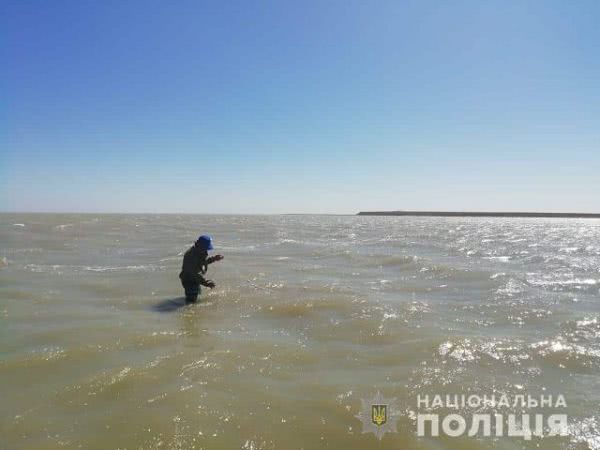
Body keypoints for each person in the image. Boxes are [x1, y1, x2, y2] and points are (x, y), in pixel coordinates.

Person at [179, 235, 224, 303]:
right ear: (200, 246)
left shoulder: (199, 251)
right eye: (205, 248)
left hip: (195, 279)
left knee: (196, 295)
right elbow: (194, 273)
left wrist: (214, 258)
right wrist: (206, 283)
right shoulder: (191, 255)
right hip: (189, 280)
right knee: (191, 302)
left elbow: (203, 262)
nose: (206, 250)